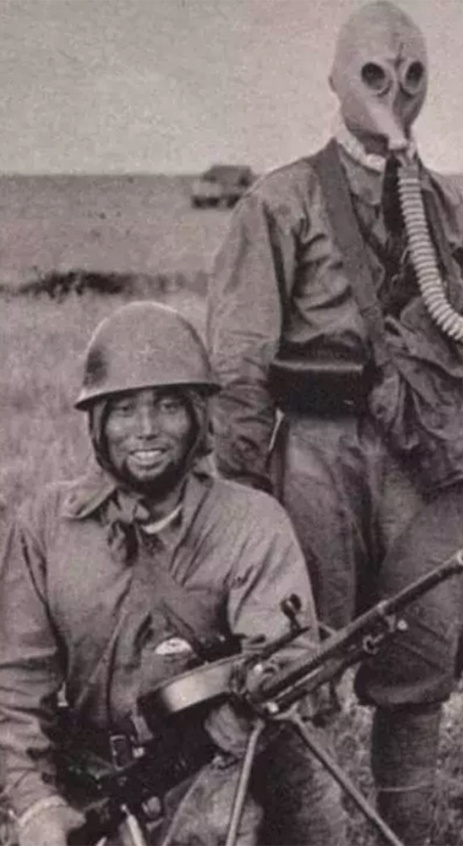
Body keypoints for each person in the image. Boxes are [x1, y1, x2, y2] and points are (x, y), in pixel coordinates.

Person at [206, 3, 463, 840]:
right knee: (298, 663)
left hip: (431, 457)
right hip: (316, 457)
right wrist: (240, 504)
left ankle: (408, 831)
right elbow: (240, 362)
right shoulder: (280, 202)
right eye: (374, 75)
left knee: (423, 664)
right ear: (336, 80)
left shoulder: (447, 208)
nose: (395, 92)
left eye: (412, 75)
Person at [0, 302, 335, 846]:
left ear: (198, 418)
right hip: (86, 779)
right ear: (98, 423)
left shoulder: (251, 522)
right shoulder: (44, 526)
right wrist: (36, 802)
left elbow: (286, 660)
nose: (147, 430)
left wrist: (239, 716)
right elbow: (15, 684)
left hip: (214, 767)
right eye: (124, 410)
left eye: (168, 406)